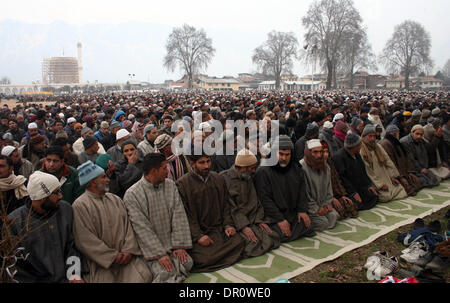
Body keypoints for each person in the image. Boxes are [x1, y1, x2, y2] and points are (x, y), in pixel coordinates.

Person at [72, 161, 152, 283]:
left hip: (127, 260)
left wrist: (128, 251)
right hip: (102, 264)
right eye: (103, 177)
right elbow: (85, 240)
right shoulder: (80, 206)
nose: (108, 179)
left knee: (144, 276)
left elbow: (129, 229)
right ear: (93, 182)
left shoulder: (115, 200)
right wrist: (112, 257)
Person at [124, 153, 193, 282]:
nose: (167, 172)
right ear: (154, 171)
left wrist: (178, 245)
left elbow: (178, 215)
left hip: (172, 244)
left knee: (187, 262)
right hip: (152, 250)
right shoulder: (132, 194)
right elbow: (142, 229)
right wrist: (159, 254)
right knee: (164, 272)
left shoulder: (170, 185)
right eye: (164, 168)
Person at [6, 171, 85, 283]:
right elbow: (16, 266)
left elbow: (72, 247)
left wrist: (73, 274)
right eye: (56, 192)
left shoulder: (65, 210)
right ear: (42, 197)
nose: (60, 196)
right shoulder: (15, 222)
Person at [176, 152, 245, 273]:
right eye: (202, 163)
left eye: (208, 161)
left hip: (218, 231)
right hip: (200, 235)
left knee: (239, 241)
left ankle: (219, 257)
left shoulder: (217, 178)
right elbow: (185, 215)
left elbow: (225, 205)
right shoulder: (183, 184)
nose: (207, 166)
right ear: (192, 164)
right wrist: (199, 236)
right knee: (201, 257)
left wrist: (228, 225)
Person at [220, 149, 280, 258]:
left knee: (272, 235)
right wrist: (243, 226)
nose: (254, 171)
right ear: (243, 168)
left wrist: (258, 220)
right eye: (252, 168)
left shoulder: (247, 177)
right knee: (251, 244)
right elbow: (230, 208)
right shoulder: (224, 179)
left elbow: (255, 201)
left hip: (252, 218)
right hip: (236, 222)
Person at [254, 135, 314, 242]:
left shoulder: (296, 169)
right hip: (273, 216)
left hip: (293, 213)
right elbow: (264, 199)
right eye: (281, 154)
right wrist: (279, 219)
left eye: (287, 155)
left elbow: (302, 192)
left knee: (308, 224)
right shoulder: (263, 171)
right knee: (276, 234)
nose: (284, 158)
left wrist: (302, 210)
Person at [360, 125, 407, 203]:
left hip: (385, 176)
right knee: (385, 197)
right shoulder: (362, 150)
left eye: (374, 136)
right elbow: (368, 171)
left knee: (402, 190)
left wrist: (393, 177)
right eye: (370, 136)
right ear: (364, 136)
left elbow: (388, 161)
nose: (372, 139)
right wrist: (380, 185)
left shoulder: (378, 146)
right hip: (374, 181)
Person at [332, 133, 379, 210]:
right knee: (355, 204)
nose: (361, 146)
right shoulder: (338, 157)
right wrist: (353, 193)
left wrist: (368, 185)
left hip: (360, 186)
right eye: (359, 144)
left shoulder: (356, 154)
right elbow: (342, 178)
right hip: (348, 189)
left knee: (374, 196)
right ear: (354, 146)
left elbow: (363, 171)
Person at [300, 139, 339, 232]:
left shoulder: (325, 166)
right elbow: (305, 195)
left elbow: (329, 189)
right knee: (323, 223)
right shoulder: (302, 167)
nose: (319, 155)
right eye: (315, 152)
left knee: (334, 216)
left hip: (322, 204)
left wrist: (327, 204)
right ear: (308, 153)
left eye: (320, 152)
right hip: (310, 209)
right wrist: (316, 209)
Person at [380, 125, 423, 197]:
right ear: (394, 133)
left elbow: (406, 157)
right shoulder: (385, 143)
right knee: (407, 189)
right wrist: (400, 177)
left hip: (404, 171)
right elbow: (391, 163)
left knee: (418, 183)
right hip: (396, 174)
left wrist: (410, 172)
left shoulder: (396, 142)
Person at [322, 141, 359, 219]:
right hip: (324, 200)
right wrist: (331, 198)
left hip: (335, 194)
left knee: (351, 204)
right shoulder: (315, 166)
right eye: (323, 152)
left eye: (327, 151)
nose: (325, 154)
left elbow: (337, 180)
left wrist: (342, 195)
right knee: (335, 214)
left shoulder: (329, 162)